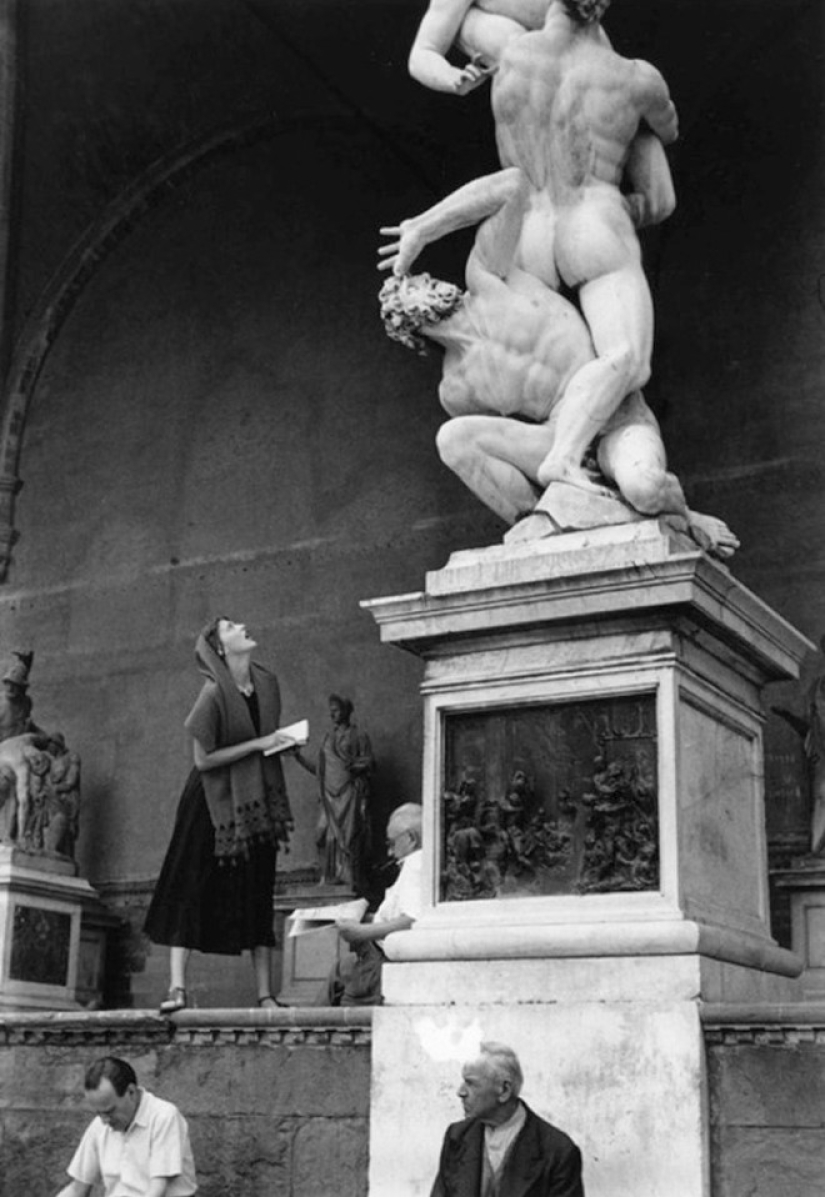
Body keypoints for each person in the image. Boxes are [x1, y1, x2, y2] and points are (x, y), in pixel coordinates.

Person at [378, 168, 738, 556]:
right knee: (453, 439)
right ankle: (543, 526)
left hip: (618, 419)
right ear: (403, 325)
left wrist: (422, 228)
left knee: (646, 489)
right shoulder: (456, 387)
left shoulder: (486, 278)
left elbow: (512, 184)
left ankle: (687, 514)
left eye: (420, 277)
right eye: (409, 287)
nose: (424, 279)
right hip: (557, 436)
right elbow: (500, 453)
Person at [144, 617, 298, 1012]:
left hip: (254, 797)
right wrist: (260, 744)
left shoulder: (266, 683)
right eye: (231, 626)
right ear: (220, 646)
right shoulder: (212, 693)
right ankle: (178, 988)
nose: (244, 625)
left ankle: (265, 994)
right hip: (210, 801)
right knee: (191, 884)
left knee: (258, 886)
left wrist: (283, 744)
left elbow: (263, 740)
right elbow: (204, 758)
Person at [431, 1042, 584, 1196]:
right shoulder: (457, 1136)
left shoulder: (558, 1152)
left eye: (471, 1083)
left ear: (504, 1090)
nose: (461, 1092)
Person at [54, 1055, 197, 1197]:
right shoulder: (99, 1126)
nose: (104, 1120)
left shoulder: (164, 1117)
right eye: (99, 1113)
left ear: (131, 1092)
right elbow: (77, 1189)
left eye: (110, 1111)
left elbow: (157, 1190)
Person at [326, 801, 423, 1005]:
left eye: (391, 844)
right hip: (377, 956)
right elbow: (400, 915)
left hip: (382, 959)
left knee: (345, 1010)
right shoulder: (417, 865)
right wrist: (365, 919)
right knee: (339, 972)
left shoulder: (416, 864)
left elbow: (412, 921)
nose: (389, 852)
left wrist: (360, 932)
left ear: (411, 839)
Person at [294, 693, 375, 891]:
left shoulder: (358, 736)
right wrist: (298, 757)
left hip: (349, 794)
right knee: (322, 835)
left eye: (336, 710)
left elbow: (370, 762)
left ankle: (349, 880)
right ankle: (326, 878)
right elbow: (319, 770)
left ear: (346, 711)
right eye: (331, 711)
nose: (332, 714)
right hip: (329, 796)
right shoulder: (326, 739)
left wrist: (356, 765)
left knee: (349, 837)